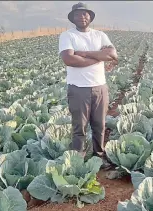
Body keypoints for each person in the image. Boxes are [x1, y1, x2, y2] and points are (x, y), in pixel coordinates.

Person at [58, 2, 118, 169]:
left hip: (100, 87)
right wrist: (99, 56)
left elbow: (112, 54)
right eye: (78, 14)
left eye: (85, 14)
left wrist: (84, 54)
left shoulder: (100, 35)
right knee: (80, 127)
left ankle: (99, 156)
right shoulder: (67, 36)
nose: (82, 17)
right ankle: (78, 160)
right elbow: (69, 59)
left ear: (90, 16)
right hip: (78, 88)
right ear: (72, 18)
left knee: (99, 125)